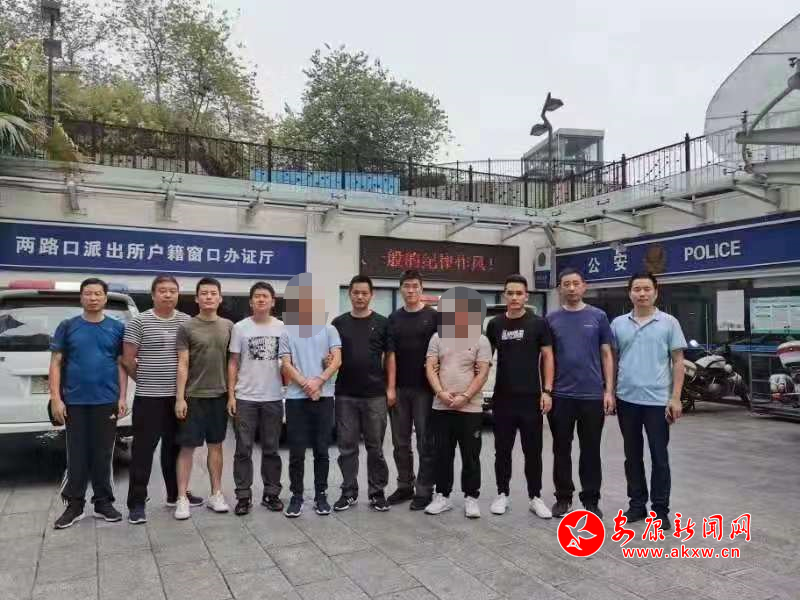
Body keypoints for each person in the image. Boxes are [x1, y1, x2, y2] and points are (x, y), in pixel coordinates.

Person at [123, 275, 203, 524]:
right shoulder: (139, 321)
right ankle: (137, 503)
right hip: (148, 398)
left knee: (175, 448)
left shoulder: (186, 321)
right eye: (162, 290)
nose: (167, 294)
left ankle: (175, 494)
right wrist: (145, 379)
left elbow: (190, 358)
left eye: (172, 291)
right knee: (143, 451)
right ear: (153, 294)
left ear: (178, 294)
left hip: (179, 398)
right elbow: (127, 360)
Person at [49, 278, 127, 529]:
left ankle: (103, 502)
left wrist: (122, 397)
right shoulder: (68, 326)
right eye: (88, 294)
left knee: (103, 454)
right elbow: (55, 363)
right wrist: (56, 398)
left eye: (98, 294)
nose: (93, 298)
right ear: (81, 297)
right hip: (75, 401)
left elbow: (121, 364)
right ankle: (75, 505)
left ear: (105, 297)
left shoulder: (117, 328)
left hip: (106, 400)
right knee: (77, 454)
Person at [612, 272, 686, 530]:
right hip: (626, 399)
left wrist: (675, 398)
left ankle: (660, 510)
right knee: (632, 456)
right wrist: (610, 392)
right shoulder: (618, 324)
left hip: (657, 401)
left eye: (646, 289)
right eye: (637, 289)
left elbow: (678, 361)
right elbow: (612, 360)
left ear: (656, 291)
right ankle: (636, 505)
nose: (641, 293)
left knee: (659, 457)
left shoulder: (669, 322)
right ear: (629, 293)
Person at [545, 268, 615, 518]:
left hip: (592, 396)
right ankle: (563, 498)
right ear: (560, 289)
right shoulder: (551, 319)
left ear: (584, 286)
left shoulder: (598, 316)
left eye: (576, 283)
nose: (572, 288)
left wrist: (609, 390)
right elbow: (546, 357)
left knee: (591, 450)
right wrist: (546, 391)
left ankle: (591, 500)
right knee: (561, 449)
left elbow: (606, 354)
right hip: (561, 396)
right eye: (567, 284)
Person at [486, 274, 554, 518]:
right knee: (502, 450)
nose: (514, 297)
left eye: (519, 293)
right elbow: (484, 359)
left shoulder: (538, 324)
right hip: (503, 398)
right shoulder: (495, 324)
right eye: (510, 293)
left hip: (531, 398)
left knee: (532, 451)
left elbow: (548, 356)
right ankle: (502, 494)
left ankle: (535, 497)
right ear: (504, 295)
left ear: (526, 296)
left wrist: (547, 391)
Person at [424, 289, 491, 518]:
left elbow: (483, 373)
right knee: (442, 454)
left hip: (470, 408)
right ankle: (442, 496)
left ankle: (471, 498)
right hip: (441, 406)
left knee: (470, 455)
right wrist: (440, 392)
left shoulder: (481, 339)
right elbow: (430, 368)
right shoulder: (437, 337)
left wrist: (466, 396)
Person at [279, 275, 342, 517]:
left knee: (322, 450)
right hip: (296, 398)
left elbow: (336, 360)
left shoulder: (329, 329)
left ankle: (321, 495)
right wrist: (307, 384)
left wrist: (319, 381)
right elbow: (286, 364)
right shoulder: (287, 331)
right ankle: (296, 496)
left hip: (324, 397)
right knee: (296, 451)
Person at [173, 277, 233, 520]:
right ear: (197, 298)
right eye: (204, 293)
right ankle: (181, 497)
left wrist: (232, 395)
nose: (209, 297)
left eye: (213, 293)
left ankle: (216, 493)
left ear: (220, 298)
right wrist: (180, 398)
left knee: (216, 446)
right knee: (187, 447)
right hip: (193, 397)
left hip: (219, 396)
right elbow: (183, 363)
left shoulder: (229, 326)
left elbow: (233, 363)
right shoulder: (187, 327)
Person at [331, 275, 391, 512]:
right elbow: (332, 355)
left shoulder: (382, 323)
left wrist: (391, 388)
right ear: (350, 294)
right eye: (356, 292)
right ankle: (348, 492)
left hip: (375, 394)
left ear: (371, 295)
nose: (360, 297)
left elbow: (390, 357)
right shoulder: (339, 323)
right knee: (347, 446)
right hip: (345, 394)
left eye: (364, 293)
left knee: (375, 447)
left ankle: (377, 493)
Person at [228, 282, 286, 516]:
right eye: (257, 296)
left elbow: (289, 361)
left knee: (271, 449)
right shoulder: (240, 328)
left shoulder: (282, 328)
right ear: (251, 302)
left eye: (265, 296)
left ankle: (272, 494)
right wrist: (231, 395)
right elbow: (233, 362)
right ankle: (243, 496)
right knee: (243, 449)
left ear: (273, 301)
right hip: (245, 397)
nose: (261, 300)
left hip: (273, 397)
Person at [386, 270, 438, 510]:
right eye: (406, 286)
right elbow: (390, 355)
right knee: (400, 443)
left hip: (426, 390)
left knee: (426, 442)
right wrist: (390, 388)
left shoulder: (434, 317)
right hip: (400, 389)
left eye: (415, 286)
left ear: (421, 288)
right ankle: (405, 485)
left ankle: (425, 489)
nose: (411, 290)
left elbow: (443, 351)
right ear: (401, 289)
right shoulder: (393, 319)